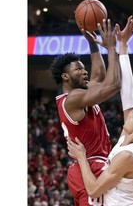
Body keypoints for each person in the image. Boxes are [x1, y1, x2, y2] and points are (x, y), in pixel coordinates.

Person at [67, 15, 133, 205]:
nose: (132, 112)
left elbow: (94, 189)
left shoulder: (127, 156)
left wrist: (81, 157)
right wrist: (122, 46)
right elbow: (128, 92)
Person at [50, 18, 122, 206]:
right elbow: (113, 84)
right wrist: (112, 49)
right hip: (89, 167)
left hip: (92, 166)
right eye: (78, 69)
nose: (84, 72)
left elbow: (98, 76)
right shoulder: (72, 99)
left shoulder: (80, 95)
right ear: (65, 76)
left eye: (84, 68)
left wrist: (93, 43)